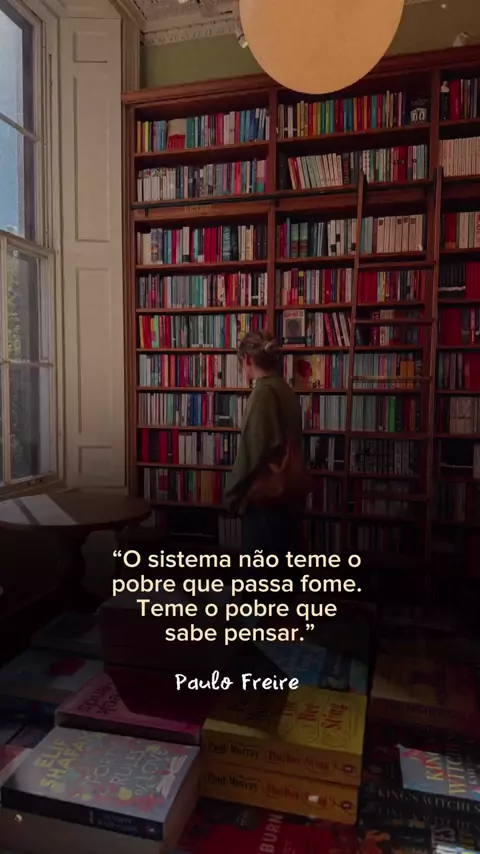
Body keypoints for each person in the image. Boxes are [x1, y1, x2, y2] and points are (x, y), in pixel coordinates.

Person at [224, 330, 305, 569]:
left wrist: (231, 497)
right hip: (289, 495)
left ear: (247, 360)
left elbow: (250, 453)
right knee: (284, 576)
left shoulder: (263, 394)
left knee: (261, 580)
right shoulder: (284, 389)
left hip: (267, 501)